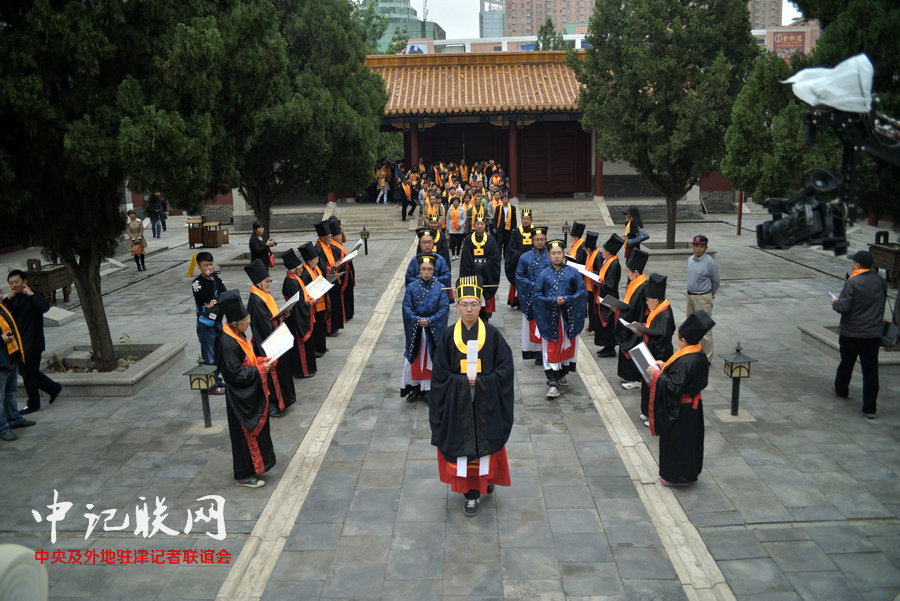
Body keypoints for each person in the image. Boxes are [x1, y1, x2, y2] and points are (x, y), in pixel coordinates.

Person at [428, 276, 514, 517]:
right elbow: (440, 375)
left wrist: (484, 382)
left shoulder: (493, 335)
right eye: (464, 304)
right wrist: (461, 383)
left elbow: (505, 369)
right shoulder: (447, 337)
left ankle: (485, 479)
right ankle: (471, 493)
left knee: (484, 443)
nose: (468, 309)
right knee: (463, 447)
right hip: (458, 405)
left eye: (473, 304)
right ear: (456, 305)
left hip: (486, 403)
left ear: (481, 305)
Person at [646, 310, 715, 487]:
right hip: (692, 407)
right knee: (691, 443)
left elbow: (674, 387)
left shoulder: (687, 361)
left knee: (677, 444)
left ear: (683, 340)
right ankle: (689, 473)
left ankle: (676, 476)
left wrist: (657, 375)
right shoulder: (698, 354)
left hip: (680, 410)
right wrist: (665, 366)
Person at [216, 289, 277, 488]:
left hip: (247, 395)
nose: (249, 322)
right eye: (246, 319)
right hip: (239, 399)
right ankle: (243, 474)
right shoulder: (227, 343)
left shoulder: (237, 334)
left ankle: (256, 467)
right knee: (243, 437)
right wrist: (261, 370)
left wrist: (259, 361)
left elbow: (245, 362)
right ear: (235, 323)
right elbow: (234, 375)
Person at [831, 250, 886, 418]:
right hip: (873, 334)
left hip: (852, 333)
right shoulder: (880, 281)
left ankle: (841, 390)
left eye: (853, 262)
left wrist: (835, 302)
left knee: (847, 363)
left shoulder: (853, 283)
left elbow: (844, 308)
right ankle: (870, 408)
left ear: (857, 264)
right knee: (870, 370)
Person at [533, 239, 586, 398]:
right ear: (549, 255)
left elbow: (582, 292)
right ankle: (552, 381)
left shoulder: (573, 273)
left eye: (559, 253)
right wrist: (551, 301)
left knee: (566, 345)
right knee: (551, 347)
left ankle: (562, 372)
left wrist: (569, 299)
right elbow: (536, 295)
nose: (556, 256)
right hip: (550, 318)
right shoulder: (543, 275)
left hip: (567, 317)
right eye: (553, 253)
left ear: (564, 255)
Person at [4, 270, 63, 414]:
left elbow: (45, 307)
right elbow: (4, 314)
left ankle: (33, 403)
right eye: (11, 283)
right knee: (28, 372)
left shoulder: (33, 295)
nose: (14, 285)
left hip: (33, 342)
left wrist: (31, 294)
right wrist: (7, 299)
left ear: (24, 281)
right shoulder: (13, 299)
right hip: (20, 342)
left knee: (29, 374)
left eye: (16, 282)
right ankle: (53, 388)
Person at [620, 273, 675, 427]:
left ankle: (655, 417)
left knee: (655, 387)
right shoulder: (659, 310)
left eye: (648, 301)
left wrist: (643, 331)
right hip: (650, 352)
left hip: (658, 356)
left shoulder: (665, 315)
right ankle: (646, 412)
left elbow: (661, 339)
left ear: (656, 301)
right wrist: (643, 327)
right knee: (647, 386)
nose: (646, 303)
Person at [244, 259, 295, 417]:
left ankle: (284, 400)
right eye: (266, 281)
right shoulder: (256, 301)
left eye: (269, 280)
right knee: (273, 377)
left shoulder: (264, 295)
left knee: (282, 372)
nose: (269, 284)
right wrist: (279, 319)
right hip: (266, 344)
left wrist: (282, 315)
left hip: (275, 337)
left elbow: (271, 317)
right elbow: (264, 327)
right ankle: (274, 403)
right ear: (258, 282)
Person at [401, 255, 449, 402]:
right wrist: (416, 320)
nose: (426, 272)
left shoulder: (440, 287)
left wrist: (431, 320)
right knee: (415, 358)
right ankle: (415, 387)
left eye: (430, 269)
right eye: (423, 269)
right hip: (416, 330)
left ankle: (429, 389)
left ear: (434, 270)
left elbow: (444, 308)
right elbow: (406, 307)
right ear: (419, 270)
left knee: (431, 358)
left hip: (432, 329)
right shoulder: (411, 287)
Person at [0, 293, 35, 441]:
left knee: (11, 392)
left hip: (11, 357)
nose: (0, 295)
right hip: (0, 361)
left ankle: (14, 418)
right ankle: (2, 428)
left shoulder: (3, 308)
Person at [191, 253, 227, 394]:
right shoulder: (197, 283)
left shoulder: (216, 278)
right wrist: (213, 297)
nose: (209, 267)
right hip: (206, 324)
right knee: (209, 356)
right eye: (206, 265)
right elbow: (206, 297)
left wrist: (215, 300)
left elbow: (224, 294)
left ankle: (217, 380)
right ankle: (210, 386)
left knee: (218, 353)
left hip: (218, 321)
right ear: (199, 267)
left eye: (211, 264)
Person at [515, 227, 550, 364]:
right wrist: (531, 285)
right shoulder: (524, 257)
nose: (540, 242)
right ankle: (535, 351)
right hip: (531, 296)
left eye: (542, 239)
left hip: (547, 297)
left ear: (546, 240)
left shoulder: (550, 256)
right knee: (532, 324)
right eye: (537, 239)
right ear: (532, 240)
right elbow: (519, 276)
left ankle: (545, 351)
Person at [459, 211, 501, 322]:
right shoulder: (468, 240)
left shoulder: (491, 240)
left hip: (487, 275)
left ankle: (485, 317)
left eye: (482, 224)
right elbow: (466, 258)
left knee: (486, 296)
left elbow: (495, 258)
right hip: (472, 273)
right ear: (474, 225)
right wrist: (475, 267)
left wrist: (484, 266)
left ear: (485, 225)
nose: (479, 225)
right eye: (477, 223)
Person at [281, 248, 317, 379]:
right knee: (300, 346)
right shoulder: (292, 282)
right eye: (301, 267)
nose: (302, 269)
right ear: (295, 270)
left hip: (296, 315)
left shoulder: (293, 279)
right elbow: (299, 304)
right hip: (296, 318)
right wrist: (311, 303)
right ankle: (304, 371)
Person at [617, 249, 650, 390]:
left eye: (628, 271)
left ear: (636, 273)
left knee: (635, 349)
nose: (627, 274)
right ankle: (629, 376)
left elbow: (640, 309)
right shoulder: (636, 283)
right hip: (629, 320)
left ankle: (636, 378)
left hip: (636, 323)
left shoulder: (643, 287)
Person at [686, 234, 719, 363]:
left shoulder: (710, 262)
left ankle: (706, 358)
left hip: (703, 298)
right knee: (690, 326)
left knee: (704, 329)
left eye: (701, 246)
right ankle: (691, 352)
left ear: (706, 248)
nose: (698, 249)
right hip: (690, 296)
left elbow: (716, 281)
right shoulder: (690, 260)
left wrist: (711, 294)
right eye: (696, 246)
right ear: (692, 246)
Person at [593, 234, 624, 357]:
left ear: (609, 252)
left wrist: (599, 282)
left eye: (604, 250)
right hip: (603, 296)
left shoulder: (614, 264)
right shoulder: (608, 261)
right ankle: (606, 346)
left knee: (609, 323)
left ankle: (610, 348)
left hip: (609, 297)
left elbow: (610, 283)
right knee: (603, 324)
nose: (602, 251)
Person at [314, 221, 344, 336]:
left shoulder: (328, 245)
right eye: (327, 238)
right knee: (329, 306)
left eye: (330, 237)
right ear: (321, 237)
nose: (329, 239)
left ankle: (335, 326)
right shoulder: (318, 249)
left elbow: (335, 255)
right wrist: (331, 268)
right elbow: (320, 266)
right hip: (326, 280)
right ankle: (330, 328)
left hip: (334, 278)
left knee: (336, 303)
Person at [299, 242, 328, 358]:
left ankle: (322, 346)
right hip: (313, 303)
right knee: (316, 327)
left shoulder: (315, 269)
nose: (317, 261)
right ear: (309, 261)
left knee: (321, 325)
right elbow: (305, 290)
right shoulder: (305, 273)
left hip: (320, 300)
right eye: (315, 259)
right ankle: (317, 348)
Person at [505, 208, 534, 308]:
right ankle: (518, 301)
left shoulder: (536, 232)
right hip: (519, 262)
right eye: (524, 219)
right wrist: (520, 256)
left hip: (533, 263)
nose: (526, 221)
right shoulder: (516, 232)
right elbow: (511, 248)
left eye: (528, 219)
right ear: (521, 220)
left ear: (531, 220)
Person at [329, 219, 355, 323]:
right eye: (339, 236)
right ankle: (346, 314)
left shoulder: (338, 244)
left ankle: (349, 313)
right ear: (333, 237)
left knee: (349, 293)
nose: (341, 237)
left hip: (347, 270)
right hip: (341, 273)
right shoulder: (332, 246)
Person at [446, 195, 467, 260]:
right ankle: (453, 254)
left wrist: (460, 225)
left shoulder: (462, 209)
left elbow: (464, 218)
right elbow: (448, 218)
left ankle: (457, 254)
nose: (455, 202)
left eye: (457, 201)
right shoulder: (450, 209)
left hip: (460, 228)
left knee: (459, 242)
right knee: (452, 242)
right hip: (452, 228)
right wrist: (447, 227)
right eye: (454, 201)